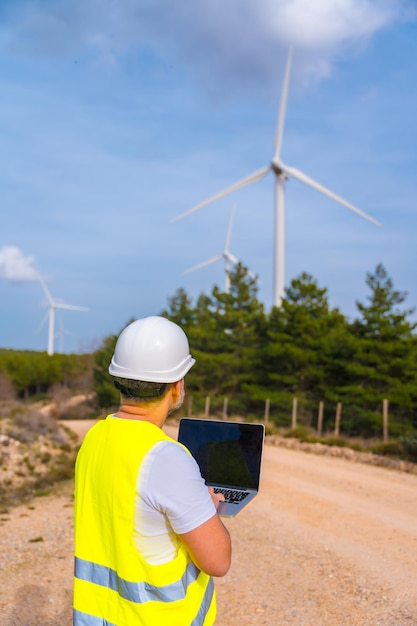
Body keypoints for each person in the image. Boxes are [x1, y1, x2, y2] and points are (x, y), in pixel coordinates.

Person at [73, 316, 231, 626]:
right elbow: (218, 561)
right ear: (176, 385)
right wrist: (208, 510)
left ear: (119, 379)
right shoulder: (166, 457)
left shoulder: (94, 438)